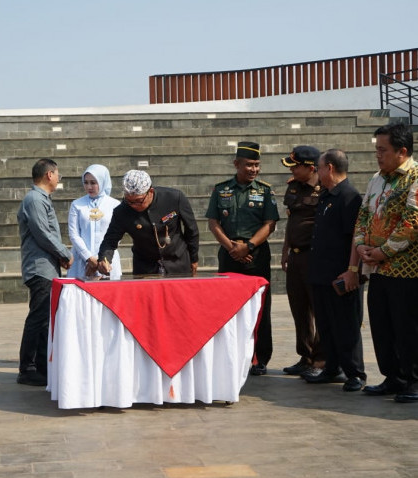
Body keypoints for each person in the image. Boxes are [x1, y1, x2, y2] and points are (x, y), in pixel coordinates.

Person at [355, 123, 418, 403]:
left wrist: (384, 251)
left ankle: (413, 381)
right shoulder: (377, 179)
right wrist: (361, 245)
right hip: (378, 267)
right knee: (382, 325)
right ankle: (392, 377)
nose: (378, 155)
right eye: (377, 149)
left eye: (383, 150)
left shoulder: (415, 177)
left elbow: (412, 223)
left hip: (406, 270)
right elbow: (363, 214)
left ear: (402, 152)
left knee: (407, 328)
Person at [205, 141, 279, 376]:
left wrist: (247, 246)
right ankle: (229, 355)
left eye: (257, 165)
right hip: (229, 255)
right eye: (249, 165)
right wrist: (232, 248)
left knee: (260, 308)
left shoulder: (265, 190)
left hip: (255, 256)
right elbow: (213, 222)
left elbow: (270, 224)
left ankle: (260, 357)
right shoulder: (221, 189)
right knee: (227, 307)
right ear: (236, 164)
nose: (253, 170)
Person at [303, 149, 366, 391]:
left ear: (329, 168)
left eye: (318, 168)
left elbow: (355, 237)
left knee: (346, 325)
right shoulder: (327, 195)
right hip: (321, 272)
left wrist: (352, 270)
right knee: (326, 325)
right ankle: (332, 367)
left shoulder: (349, 197)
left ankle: (355, 373)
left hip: (341, 274)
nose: (316, 172)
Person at [17, 158, 73, 386]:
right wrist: (64, 253)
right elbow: (42, 233)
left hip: (47, 268)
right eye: (57, 174)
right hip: (40, 269)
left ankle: (41, 366)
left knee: (43, 320)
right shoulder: (34, 200)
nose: (58, 178)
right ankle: (28, 367)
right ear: (49, 175)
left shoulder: (41, 199)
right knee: (37, 318)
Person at [97, 170, 199, 277]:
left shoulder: (174, 198)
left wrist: (194, 258)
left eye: (139, 200)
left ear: (150, 192)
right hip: (145, 267)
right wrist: (104, 259)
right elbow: (110, 240)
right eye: (129, 201)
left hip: (178, 262)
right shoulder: (122, 211)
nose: (133, 205)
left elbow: (191, 229)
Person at [280, 146, 325, 376]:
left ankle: (320, 359)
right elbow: (292, 221)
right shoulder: (294, 186)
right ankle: (305, 355)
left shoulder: (325, 189)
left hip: (314, 256)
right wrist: (285, 250)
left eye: (296, 166)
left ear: (310, 168)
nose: (292, 170)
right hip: (296, 256)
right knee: (299, 308)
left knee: (319, 308)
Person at [67, 164, 122, 280]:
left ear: (103, 182)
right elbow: (74, 234)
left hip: (107, 261)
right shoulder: (76, 205)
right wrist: (89, 258)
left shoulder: (115, 205)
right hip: (82, 260)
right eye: (86, 182)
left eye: (93, 182)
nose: (89, 187)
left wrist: (99, 260)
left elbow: (117, 235)